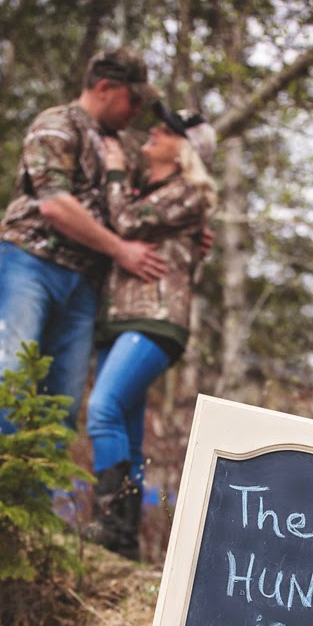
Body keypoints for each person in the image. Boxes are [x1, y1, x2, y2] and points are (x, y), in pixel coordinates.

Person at [0, 47, 167, 434]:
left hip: (85, 282)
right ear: (105, 88)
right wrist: (120, 250)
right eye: (134, 99)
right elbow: (55, 205)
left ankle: (43, 476)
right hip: (29, 263)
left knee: (62, 400)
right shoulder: (57, 123)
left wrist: (191, 229)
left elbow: (145, 205)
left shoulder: (123, 149)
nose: (138, 110)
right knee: (6, 375)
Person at [84, 101, 217, 559]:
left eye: (167, 131)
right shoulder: (151, 191)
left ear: (184, 151)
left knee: (103, 409)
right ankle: (124, 544)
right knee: (126, 426)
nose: (154, 132)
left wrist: (116, 171)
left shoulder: (189, 193)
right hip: (120, 320)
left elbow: (125, 222)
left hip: (156, 320)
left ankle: (111, 526)